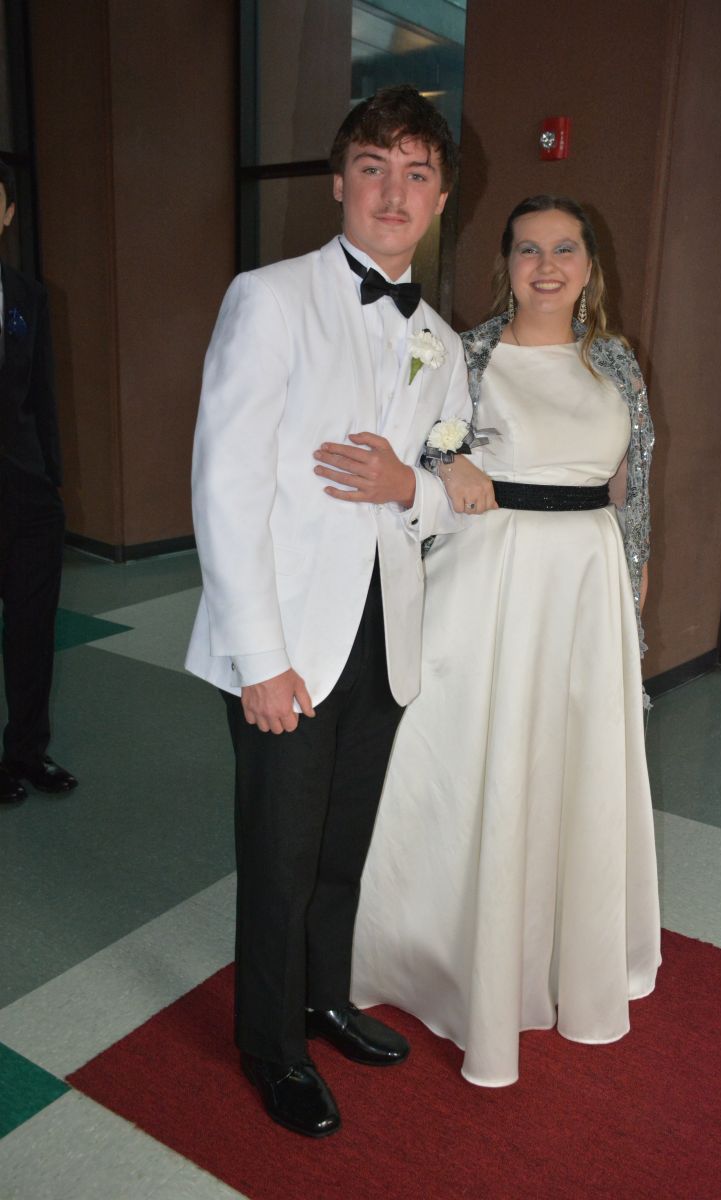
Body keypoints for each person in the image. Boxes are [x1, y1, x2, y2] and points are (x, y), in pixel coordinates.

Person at [186, 86, 494, 1138]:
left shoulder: (441, 341)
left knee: (338, 845)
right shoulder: (269, 298)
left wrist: (409, 489)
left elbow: (450, 492)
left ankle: (323, 999)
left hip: (383, 636)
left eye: (416, 174)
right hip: (285, 640)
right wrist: (258, 658)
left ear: (441, 198)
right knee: (279, 852)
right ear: (338, 182)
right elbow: (224, 487)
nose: (393, 193)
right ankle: (269, 1044)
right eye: (373, 168)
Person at [352, 195, 661, 1087]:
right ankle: (439, 957)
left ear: (590, 264)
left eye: (565, 248)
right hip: (490, 579)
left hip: (587, 586)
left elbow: (633, 483)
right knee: (465, 767)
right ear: (506, 264)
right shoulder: (464, 352)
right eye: (529, 249)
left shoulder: (615, 360)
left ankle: (561, 950)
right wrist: (447, 460)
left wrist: (634, 584)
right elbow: (417, 439)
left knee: (572, 766)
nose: (547, 266)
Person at [0, 159, 78, 805]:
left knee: (32, 633)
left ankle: (26, 751)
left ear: (6, 214)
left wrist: (51, 480)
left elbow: (42, 395)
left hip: (26, 496)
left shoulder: (26, 295)